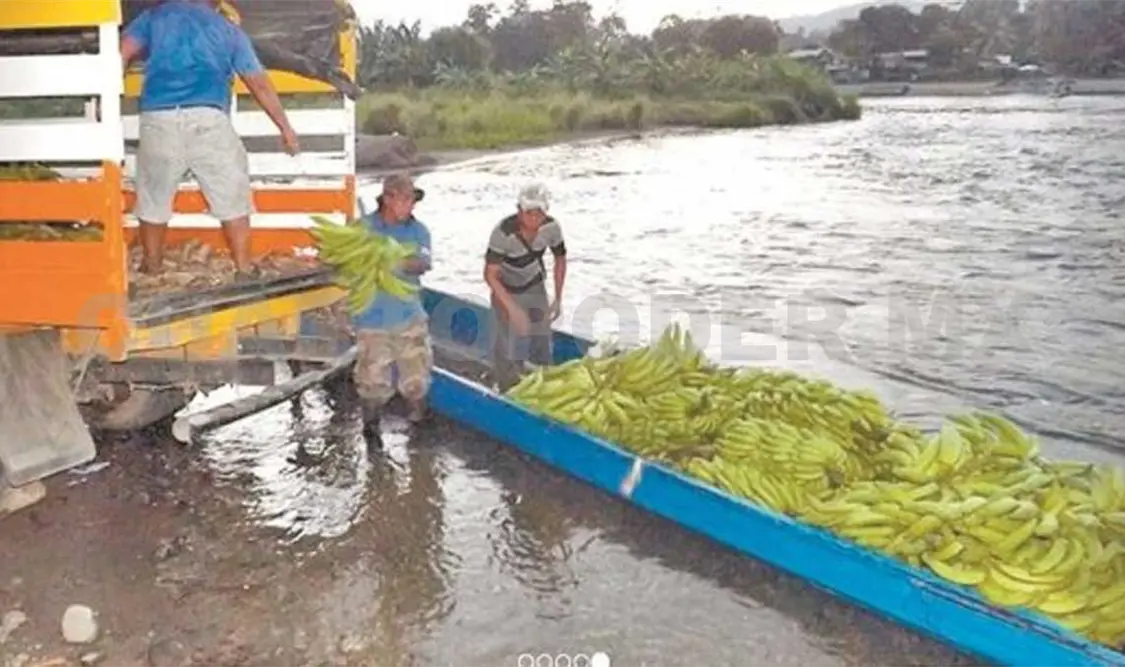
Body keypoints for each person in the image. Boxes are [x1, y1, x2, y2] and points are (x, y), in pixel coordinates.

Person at [119, 0, 300, 279]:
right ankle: (243, 268)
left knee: (154, 196)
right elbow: (258, 83)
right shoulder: (227, 30)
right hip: (208, 119)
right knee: (232, 195)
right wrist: (285, 129)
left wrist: (105, 101)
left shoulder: (153, 17)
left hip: (158, 118)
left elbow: (122, 53)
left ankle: (151, 267)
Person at [350, 174, 433, 441]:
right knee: (372, 385)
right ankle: (371, 435)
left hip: (409, 318)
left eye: (412, 200)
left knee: (417, 381)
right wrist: (366, 258)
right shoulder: (362, 229)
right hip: (372, 320)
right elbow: (342, 264)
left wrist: (391, 259)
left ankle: (419, 429)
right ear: (388, 199)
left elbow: (422, 263)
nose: (411, 206)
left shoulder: (418, 231)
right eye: (406, 200)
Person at [483, 183, 567, 392]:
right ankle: (506, 386)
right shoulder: (503, 233)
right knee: (506, 344)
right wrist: (513, 309)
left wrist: (558, 298)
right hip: (505, 287)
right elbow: (490, 275)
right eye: (529, 213)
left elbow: (560, 259)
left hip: (534, 284)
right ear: (519, 211)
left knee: (542, 337)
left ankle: (543, 385)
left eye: (539, 214)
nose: (534, 219)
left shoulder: (551, 228)